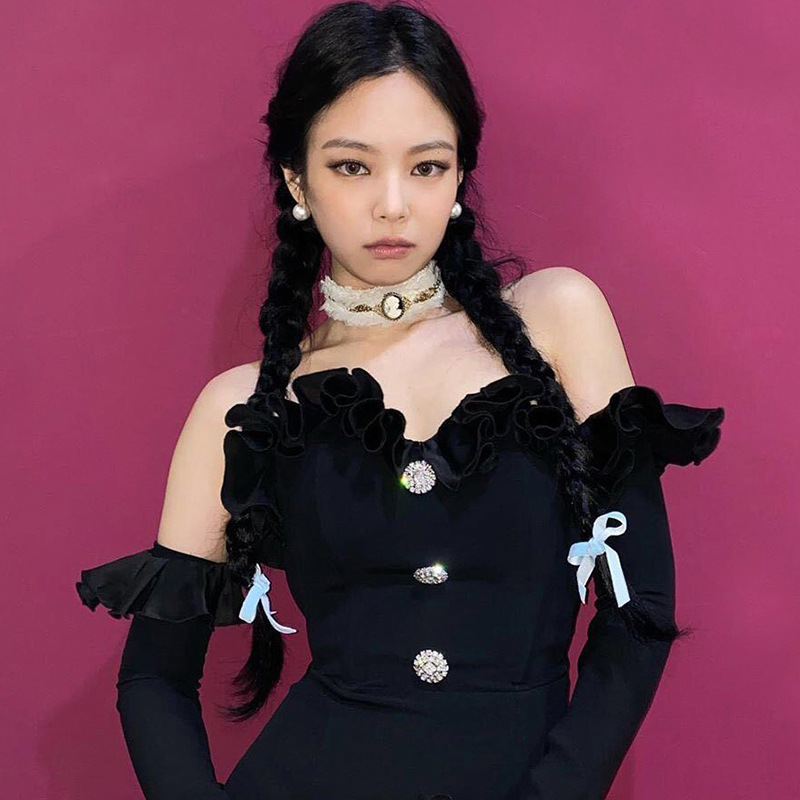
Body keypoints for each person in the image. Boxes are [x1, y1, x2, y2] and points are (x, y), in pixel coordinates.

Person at [75, 3, 725, 799]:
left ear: (458, 177)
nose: (393, 204)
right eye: (352, 166)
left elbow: (639, 613)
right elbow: (152, 680)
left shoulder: (558, 317)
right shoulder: (243, 405)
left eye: (426, 166)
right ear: (297, 180)